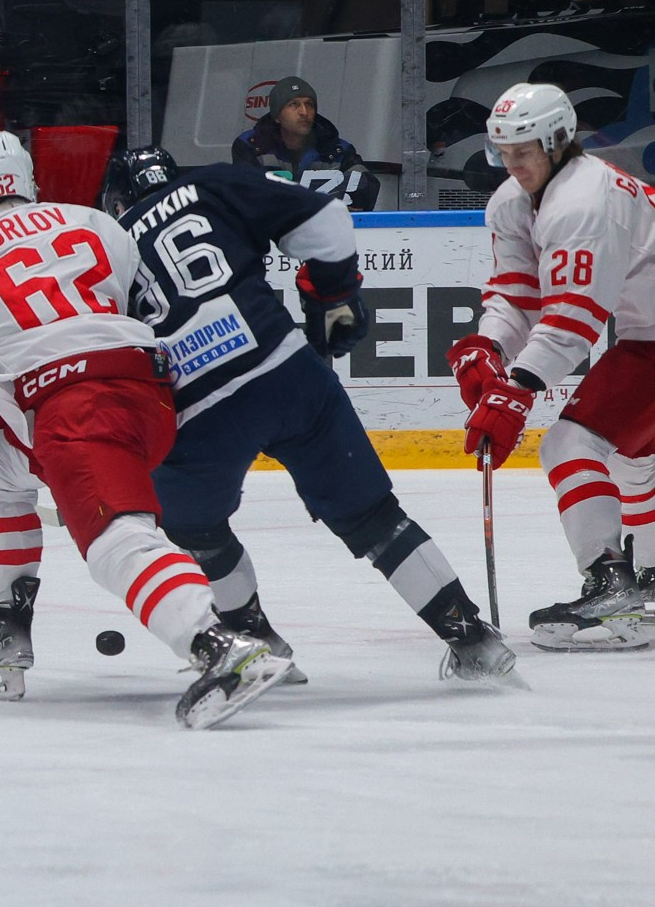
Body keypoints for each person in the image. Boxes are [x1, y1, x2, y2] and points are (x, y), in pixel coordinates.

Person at [0, 130, 293, 728]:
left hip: (77, 404)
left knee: (115, 540)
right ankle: (2, 633)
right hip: (150, 391)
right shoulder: (98, 224)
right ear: (30, 185)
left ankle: (217, 643)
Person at [100, 145, 516, 682]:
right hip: (287, 371)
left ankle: (254, 640)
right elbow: (326, 218)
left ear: (116, 201)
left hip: (198, 410)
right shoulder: (211, 185)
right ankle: (472, 639)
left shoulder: (105, 246)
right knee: (376, 519)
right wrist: (334, 297)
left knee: (194, 528)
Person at [454, 82, 655, 649]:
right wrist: (488, 348)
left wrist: (515, 390)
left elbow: (572, 320)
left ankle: (612, 585)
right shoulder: (513, 203)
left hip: (650, 337)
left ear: (559, 141)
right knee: (635, 458)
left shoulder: (585, 201)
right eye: (504, 152)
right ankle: (647, 585)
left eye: (525, 150)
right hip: (649, 333)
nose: (513, 164)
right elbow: (518, 295)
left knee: (569, 444)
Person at [230, 75, 380, 210]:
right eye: (293, 104)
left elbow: (367, 186)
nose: (304, 112)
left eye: (309, 104)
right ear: (276, 116)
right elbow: (247, 196)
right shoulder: (251, 145)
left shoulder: (337, 149)